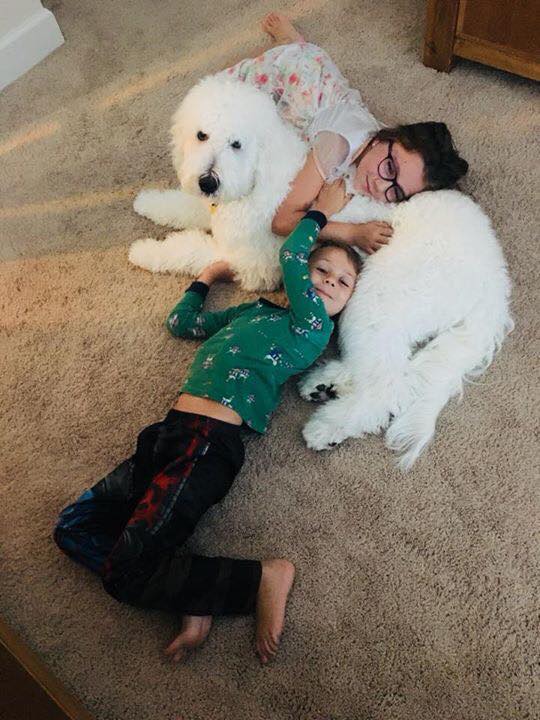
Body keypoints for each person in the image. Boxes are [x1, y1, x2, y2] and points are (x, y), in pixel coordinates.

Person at [53, 179, 360, 666]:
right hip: (165, 436)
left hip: (207, 447)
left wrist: (320, 214)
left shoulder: (312, 327)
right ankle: (189, 591)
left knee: (126, 577)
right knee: (73, 528)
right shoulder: (253, 312)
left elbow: (291, 256)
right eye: (321, 270)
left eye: (342, 282)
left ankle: (262, 578)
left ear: (344, 305)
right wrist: (204, 279)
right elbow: (182, 326)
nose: (327, 282)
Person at [218, 12, 469, 254]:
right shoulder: (336, 143)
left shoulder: (385, 149)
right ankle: (289, 45)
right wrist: (350, 232)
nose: (380, 186)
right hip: (293, 78)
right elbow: (282, 221)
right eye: (390, 169)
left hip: (325, 84)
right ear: (383, 139)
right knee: (221, 105)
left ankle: (294, 44)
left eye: (396, 192)